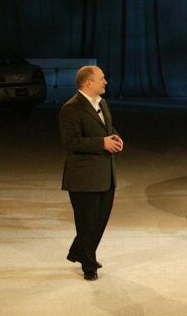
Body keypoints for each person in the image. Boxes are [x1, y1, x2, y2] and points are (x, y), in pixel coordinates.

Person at [59, 65, 123, 281]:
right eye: (101, 78)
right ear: (88, 83)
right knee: (87, 223)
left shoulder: (102, 103)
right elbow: (71, 142)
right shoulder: (71, 108)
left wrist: (115, 137)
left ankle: (78, 252)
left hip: (106, 174)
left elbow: (107, 129)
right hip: (83, 177)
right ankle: (89, 264)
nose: (105, 82)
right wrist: (101, 143)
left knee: (99, 221)